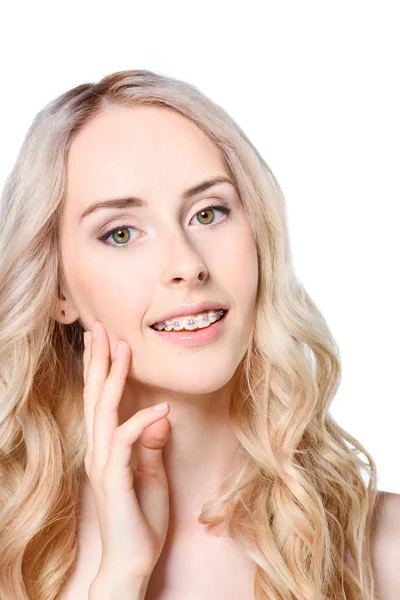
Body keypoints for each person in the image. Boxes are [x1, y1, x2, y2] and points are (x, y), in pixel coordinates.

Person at [0, 69, 398, 600]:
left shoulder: (383, 552)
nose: (187, 264)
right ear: (57, 292)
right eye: (121, 233)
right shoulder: (14, 554)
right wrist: (121, 577)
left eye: (209, 213)